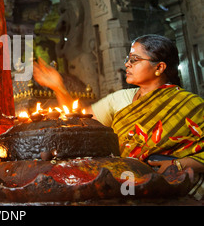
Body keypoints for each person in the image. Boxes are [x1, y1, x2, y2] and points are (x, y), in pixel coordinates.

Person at [34, 34, 204, 200]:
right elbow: (82, 124)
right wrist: (58, 87)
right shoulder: (121, 99)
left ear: (159, 67)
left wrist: (178, 165)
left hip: (173, 189)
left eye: (134, 60)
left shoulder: (190, 105)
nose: (127, 65)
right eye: (128, 59)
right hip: (123, 185)